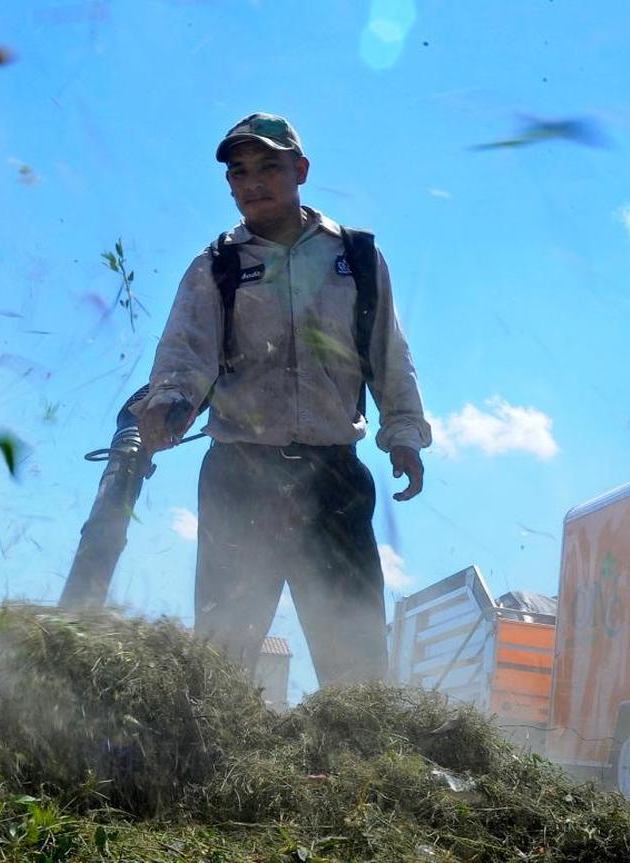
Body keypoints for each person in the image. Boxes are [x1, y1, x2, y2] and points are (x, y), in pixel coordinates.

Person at [132, 112, 431, 687]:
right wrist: (168, 407)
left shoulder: (358, 258)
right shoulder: (217, 265)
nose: (253, 182)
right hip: (241, 477)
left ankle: (364, 770)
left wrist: (404, 434)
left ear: (300, 170)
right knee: (221, 658)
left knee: (357, 663)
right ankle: (213, 767)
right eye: (239, 173)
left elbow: (388, 353)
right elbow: (185, 355)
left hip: (332, 480)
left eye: (268, 166)